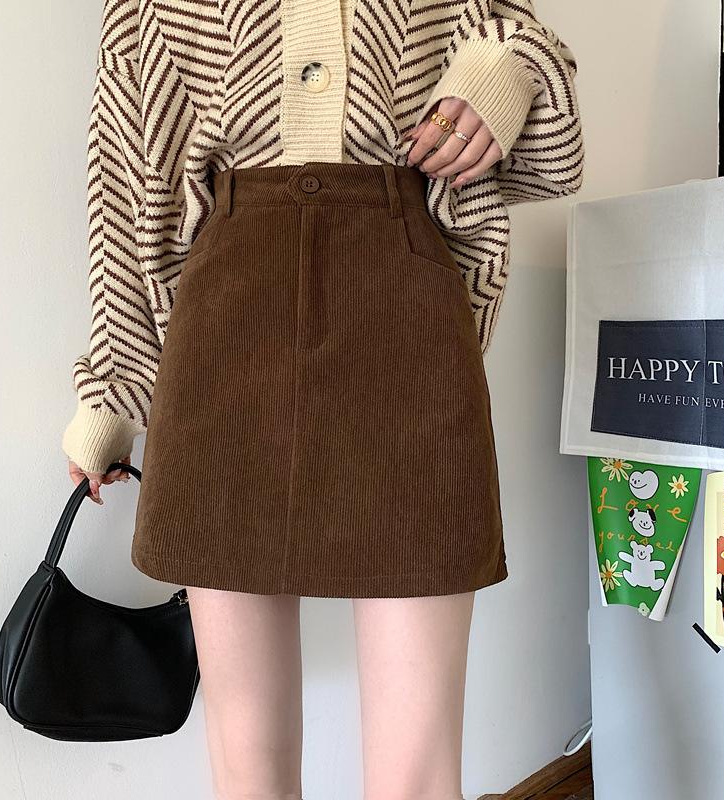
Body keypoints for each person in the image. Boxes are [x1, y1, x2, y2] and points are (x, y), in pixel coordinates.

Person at [62, 0, 583, 796]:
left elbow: (542, 125)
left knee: (417, 776)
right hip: (224, 328)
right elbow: (130, 185)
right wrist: (109, 400)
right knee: (249, 769)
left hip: (406, 319)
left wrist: (503, 74)